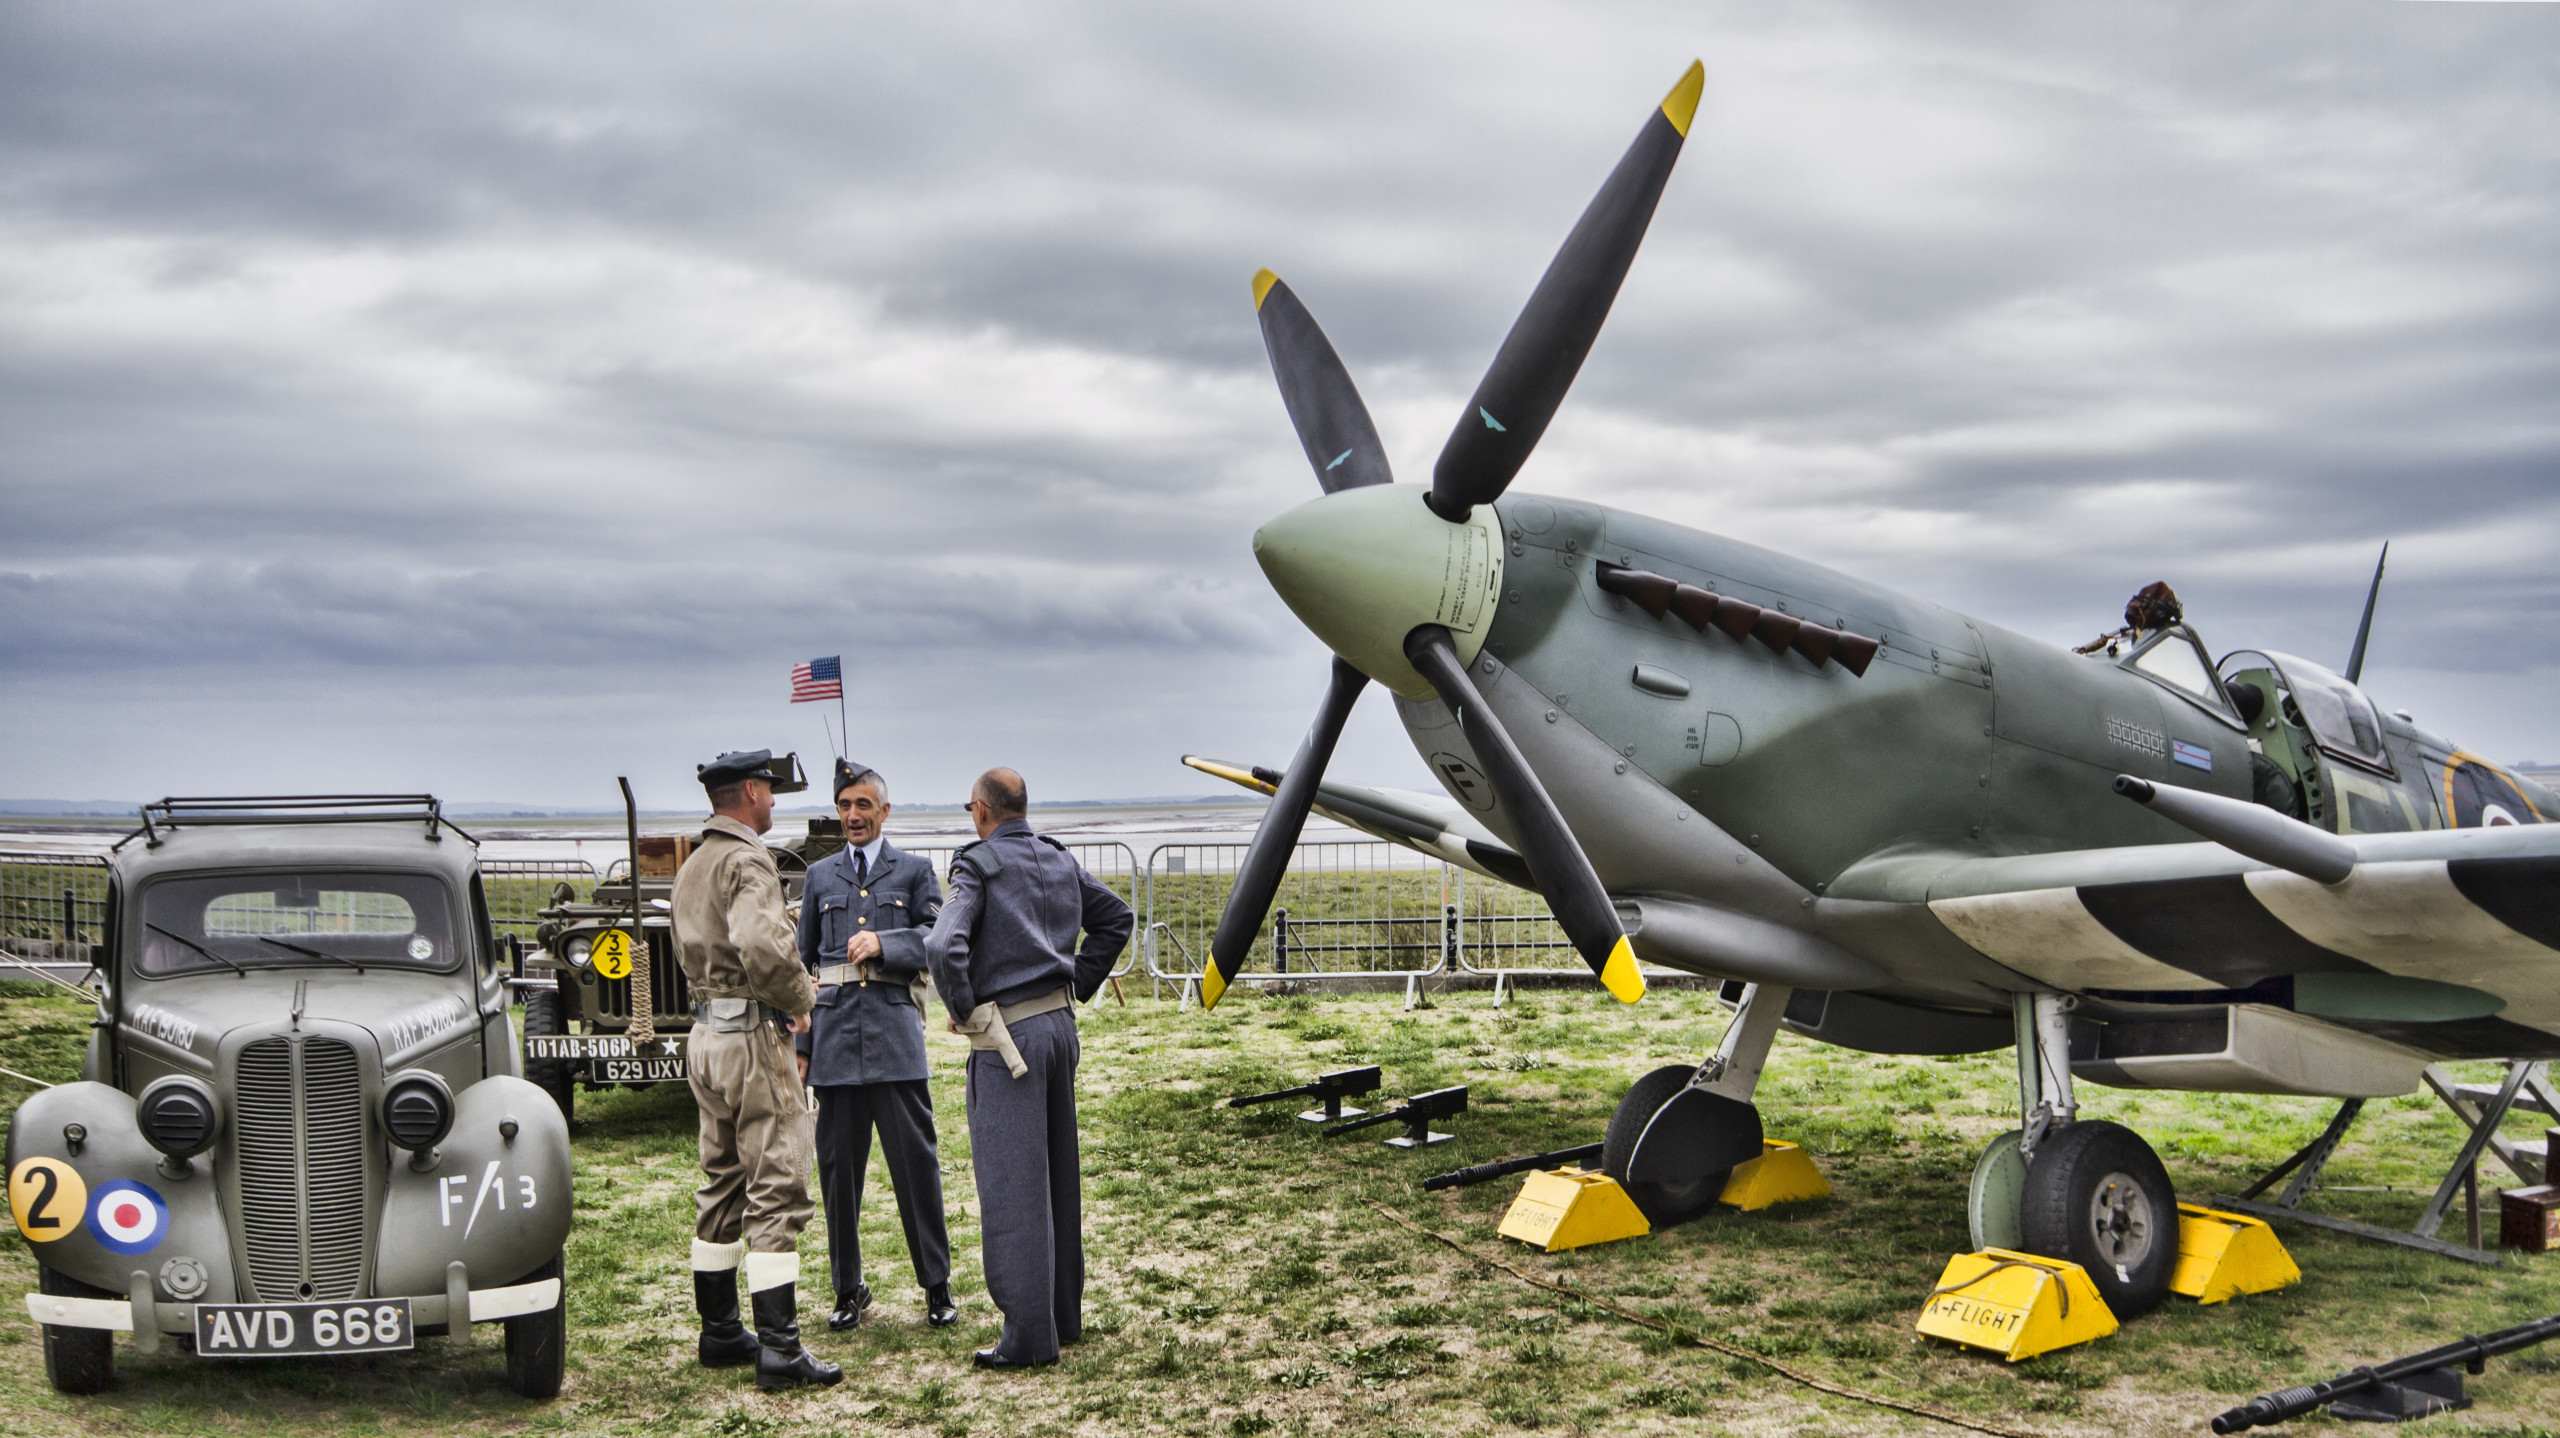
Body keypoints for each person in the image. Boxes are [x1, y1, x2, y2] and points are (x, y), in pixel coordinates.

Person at [925, 767, 1133, 1370]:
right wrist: (1080, 980)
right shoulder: (1059, 860)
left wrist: (964, 1010)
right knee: (1056, 1176)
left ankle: (1028, 1335)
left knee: (1014, 1185)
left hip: (1007, 1040)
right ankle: (1062, 1315)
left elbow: (942, 946)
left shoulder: (978, 864)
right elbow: (1116, 917)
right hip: (1058, 1029)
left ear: (983, 812)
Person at [672, 748, 842, 1392]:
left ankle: (719, 1331)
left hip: (706, 1034)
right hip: (748, 1038)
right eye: (768, 791)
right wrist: (799, 998)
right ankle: (780, 1348)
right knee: (777, 1183)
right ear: (749, 791)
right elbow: (762, 944)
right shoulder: (746, 859)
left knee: (721, 1180)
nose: (773, 800)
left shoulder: (696, 862)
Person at [793, 758, 960, 1332]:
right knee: (840, 1176)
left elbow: (937, 939)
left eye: (864, 805)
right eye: (845, 806)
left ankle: (936, 1285)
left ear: (884, 811)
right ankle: (848, 1289)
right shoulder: (819, 877)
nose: (853, 816)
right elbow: (802, 966)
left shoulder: (913, 870)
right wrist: (803, 1046)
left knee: (917, 1167)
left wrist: (884, 942)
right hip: (836, 1041)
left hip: (893, 1037)